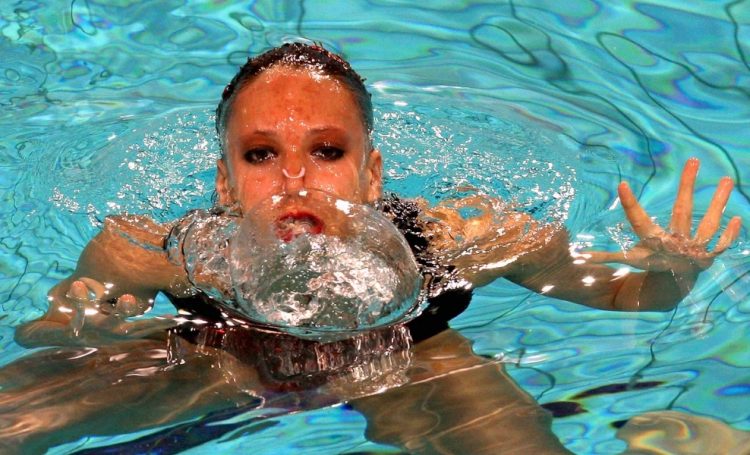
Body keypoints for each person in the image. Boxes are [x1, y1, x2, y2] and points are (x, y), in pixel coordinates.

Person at [8, 43, 742, 453]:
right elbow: (47, 328)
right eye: (261, 156)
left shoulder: (462, 236)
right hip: (218, 356)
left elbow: (624, 296)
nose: (294, 179)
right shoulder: (149, 250)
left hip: (407, 362)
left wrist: (671, 275)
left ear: (373, 172)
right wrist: (83, 324)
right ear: (225, 184)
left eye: (326, 150)